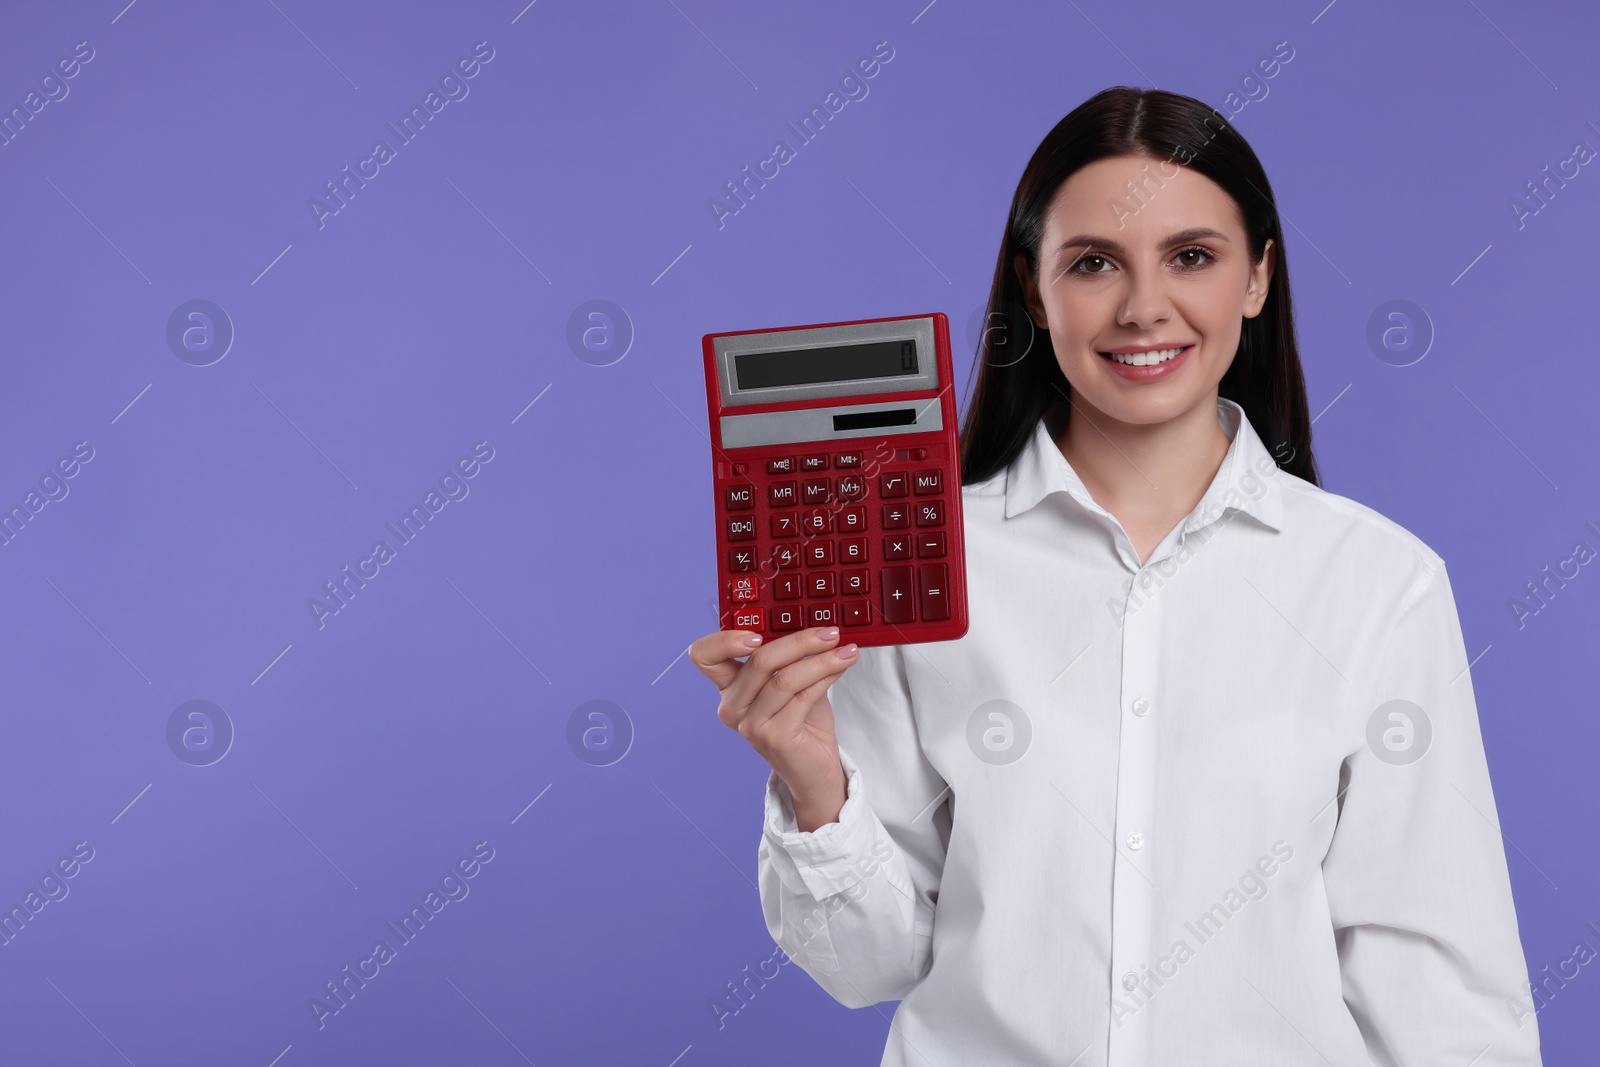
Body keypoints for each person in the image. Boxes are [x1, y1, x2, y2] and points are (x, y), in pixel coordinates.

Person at [689, 86, 1541, 1066]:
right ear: (1034, 287)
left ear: (1256, 277)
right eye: (1093, 262)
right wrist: (813, 781)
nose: (1144, 307)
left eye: (1192, 256)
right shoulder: (922, 574)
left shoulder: (1376, 582)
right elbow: (868, 962)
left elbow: (1434, 978)